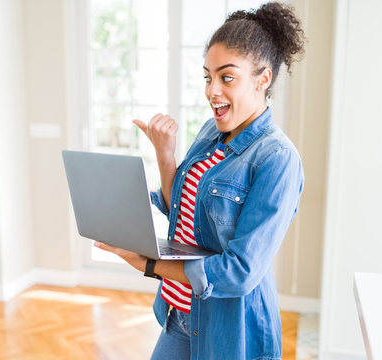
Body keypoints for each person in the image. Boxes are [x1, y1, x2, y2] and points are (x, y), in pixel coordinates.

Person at [94, 2, 306, 359]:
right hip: (180, 314)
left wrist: (147, 264)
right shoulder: (211, 132)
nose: (212, 92)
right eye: (208, 77)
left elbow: (239, 271)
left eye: (227, 77)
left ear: (262, 79)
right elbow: (180, 209)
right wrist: (165, 155)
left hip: (231, 331)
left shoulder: (277, 159)